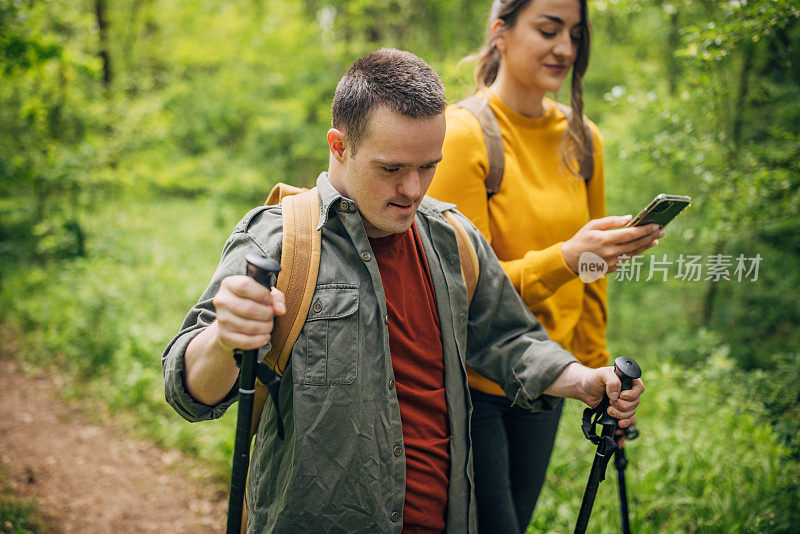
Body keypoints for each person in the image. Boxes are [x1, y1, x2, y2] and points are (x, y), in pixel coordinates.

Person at [162, 48, 644, 533]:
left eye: (428, 166)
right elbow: (187, 391)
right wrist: (226, 337)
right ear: (339, 146)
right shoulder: (282, 240)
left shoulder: (452, 238)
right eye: (392, 169)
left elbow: (506, 339)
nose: (413, 189)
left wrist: (582, 380)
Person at [426, 1, 662, 532]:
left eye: (575, 34)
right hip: (471, 383)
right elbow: (460, 295)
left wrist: (602, 379)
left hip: (550, 382)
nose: (565, 48)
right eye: (549, 29)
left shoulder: (584, 138)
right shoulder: (462, 136)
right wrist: (565, 258)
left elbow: (593, 277)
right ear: (501, 32)